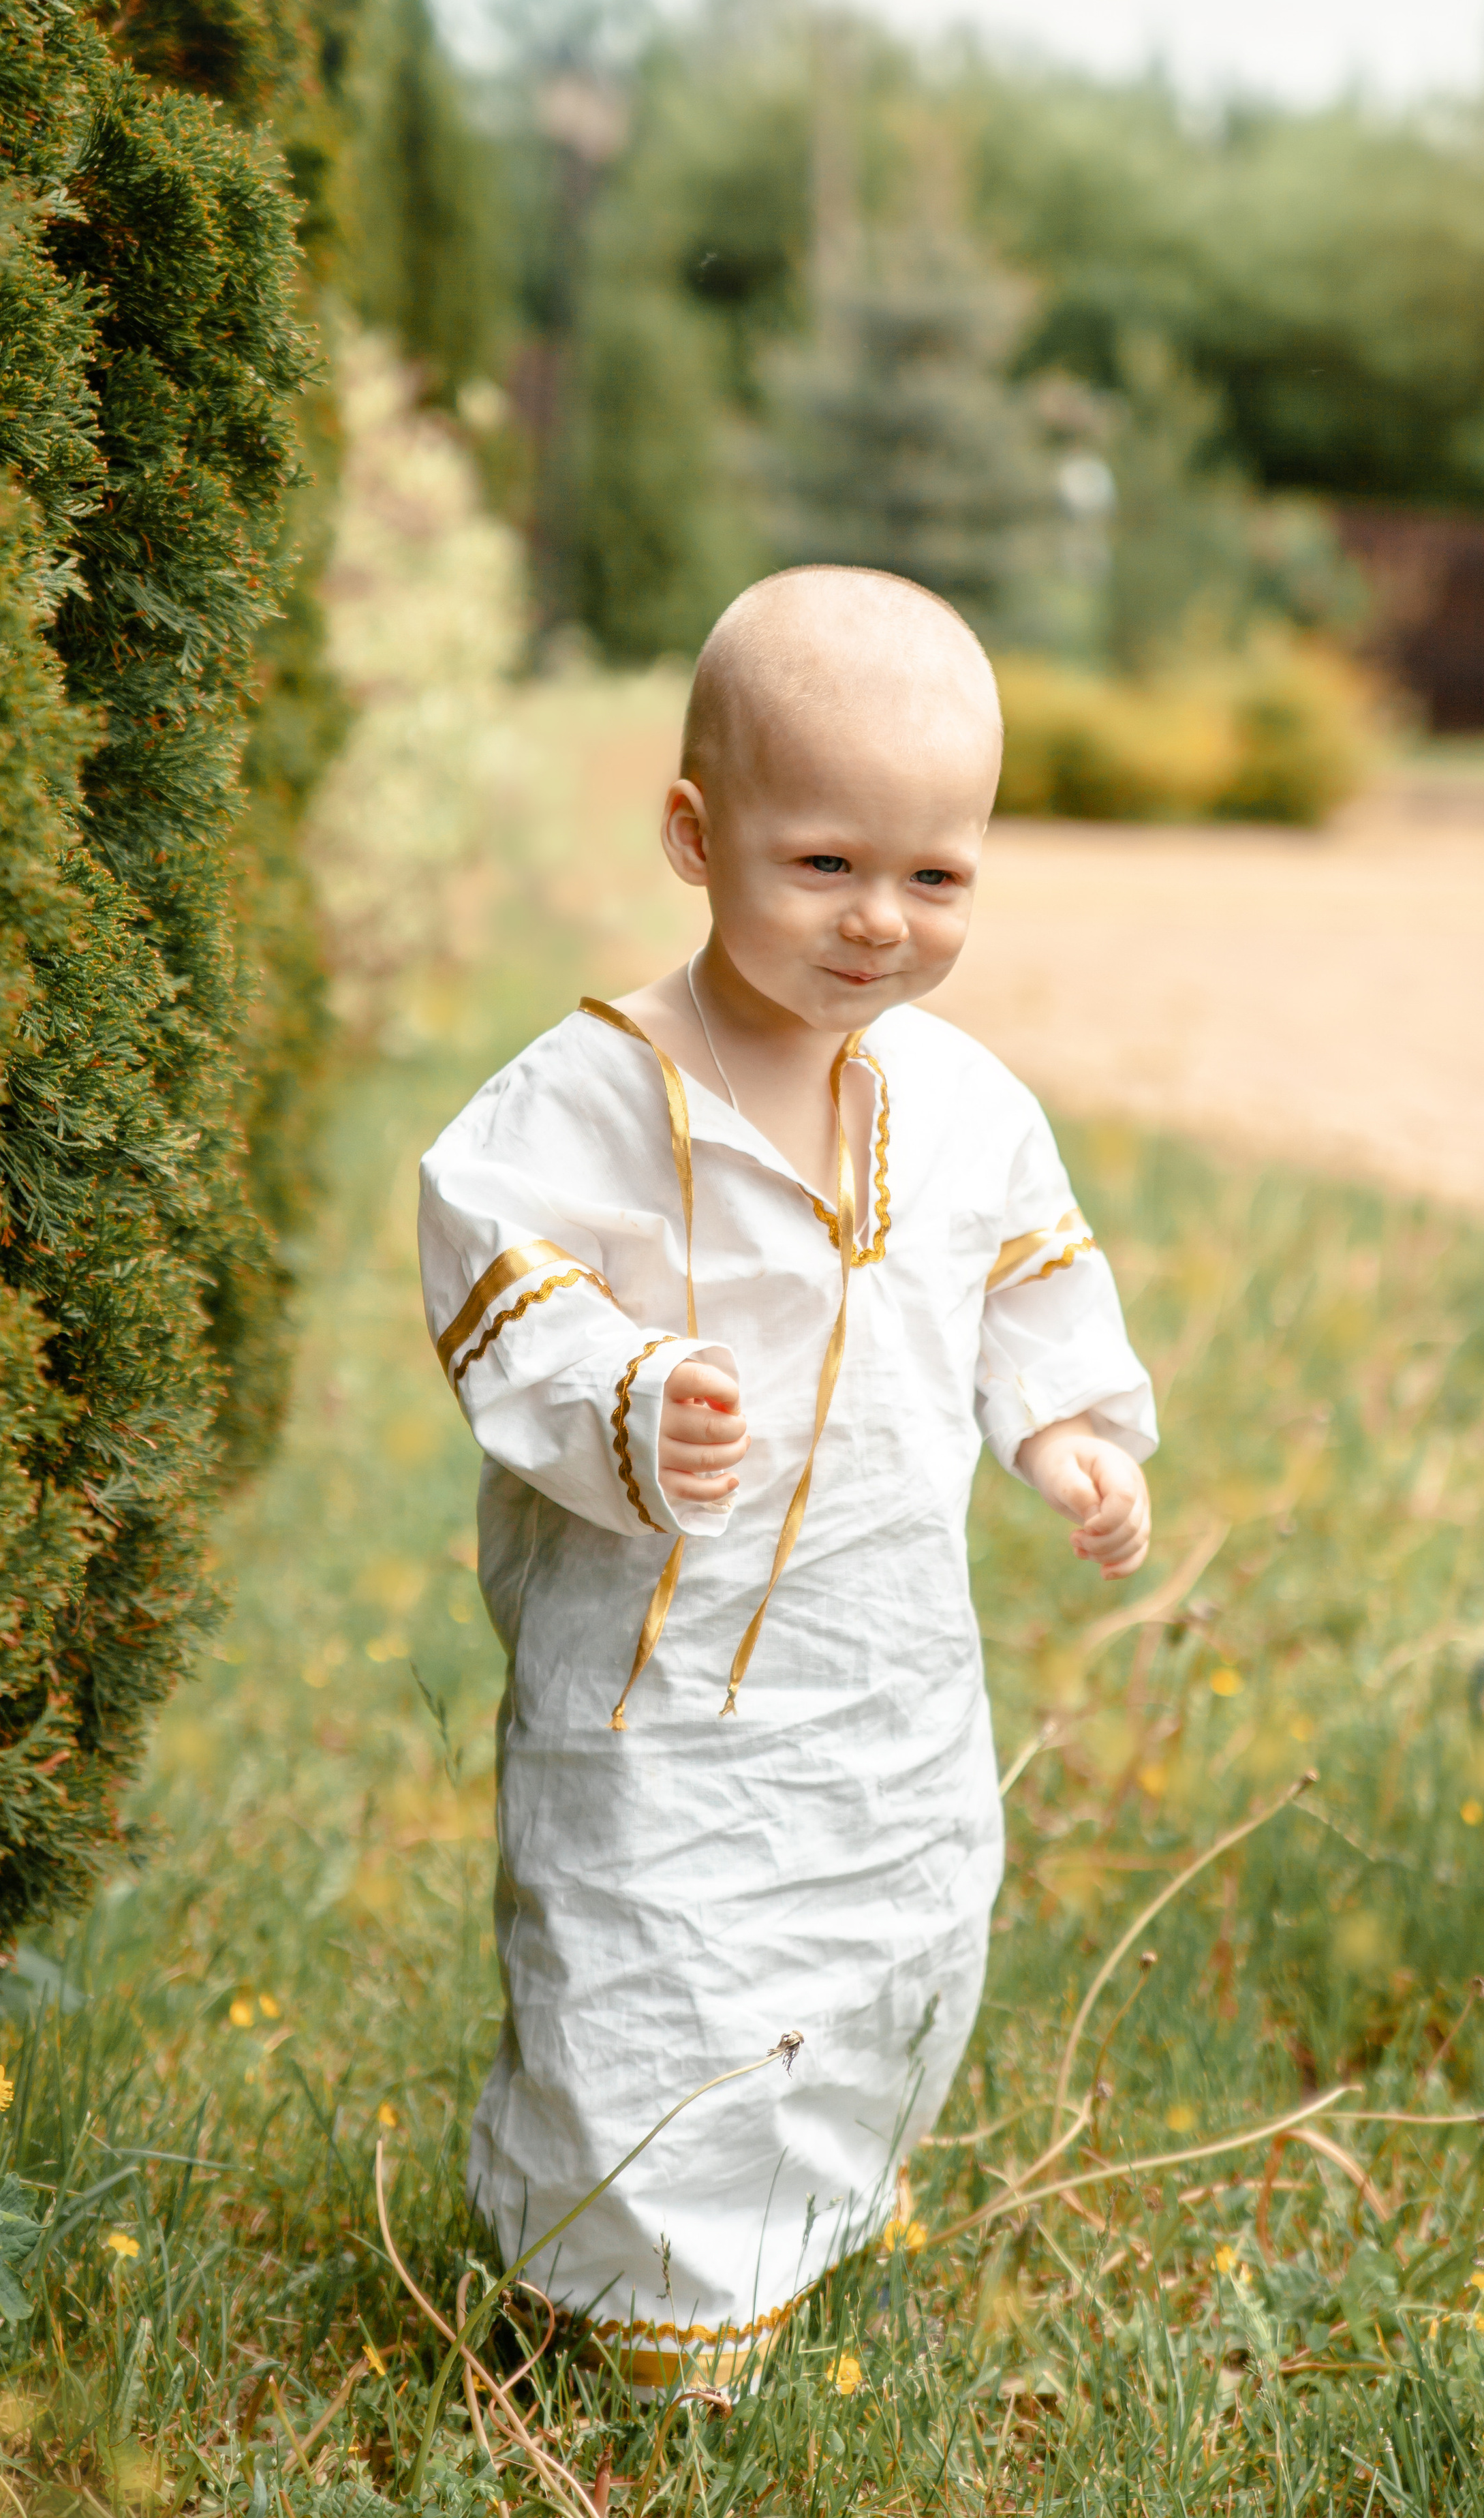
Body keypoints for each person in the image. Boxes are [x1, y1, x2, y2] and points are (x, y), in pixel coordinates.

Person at [418, 566, 1156, 2390]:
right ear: (696, 831)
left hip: (886, 1653)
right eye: (823, 864)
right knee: (658, 1948)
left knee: (890, 1926)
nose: (879, 925)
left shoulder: (965, 1102)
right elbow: (492, 1264)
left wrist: (1067, 1429)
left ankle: (810, 2213)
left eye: (936, 877)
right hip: (666, 1672)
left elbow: (1024, 1275)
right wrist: (631, 1390)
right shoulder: (595, 1092)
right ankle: (638, 2292)